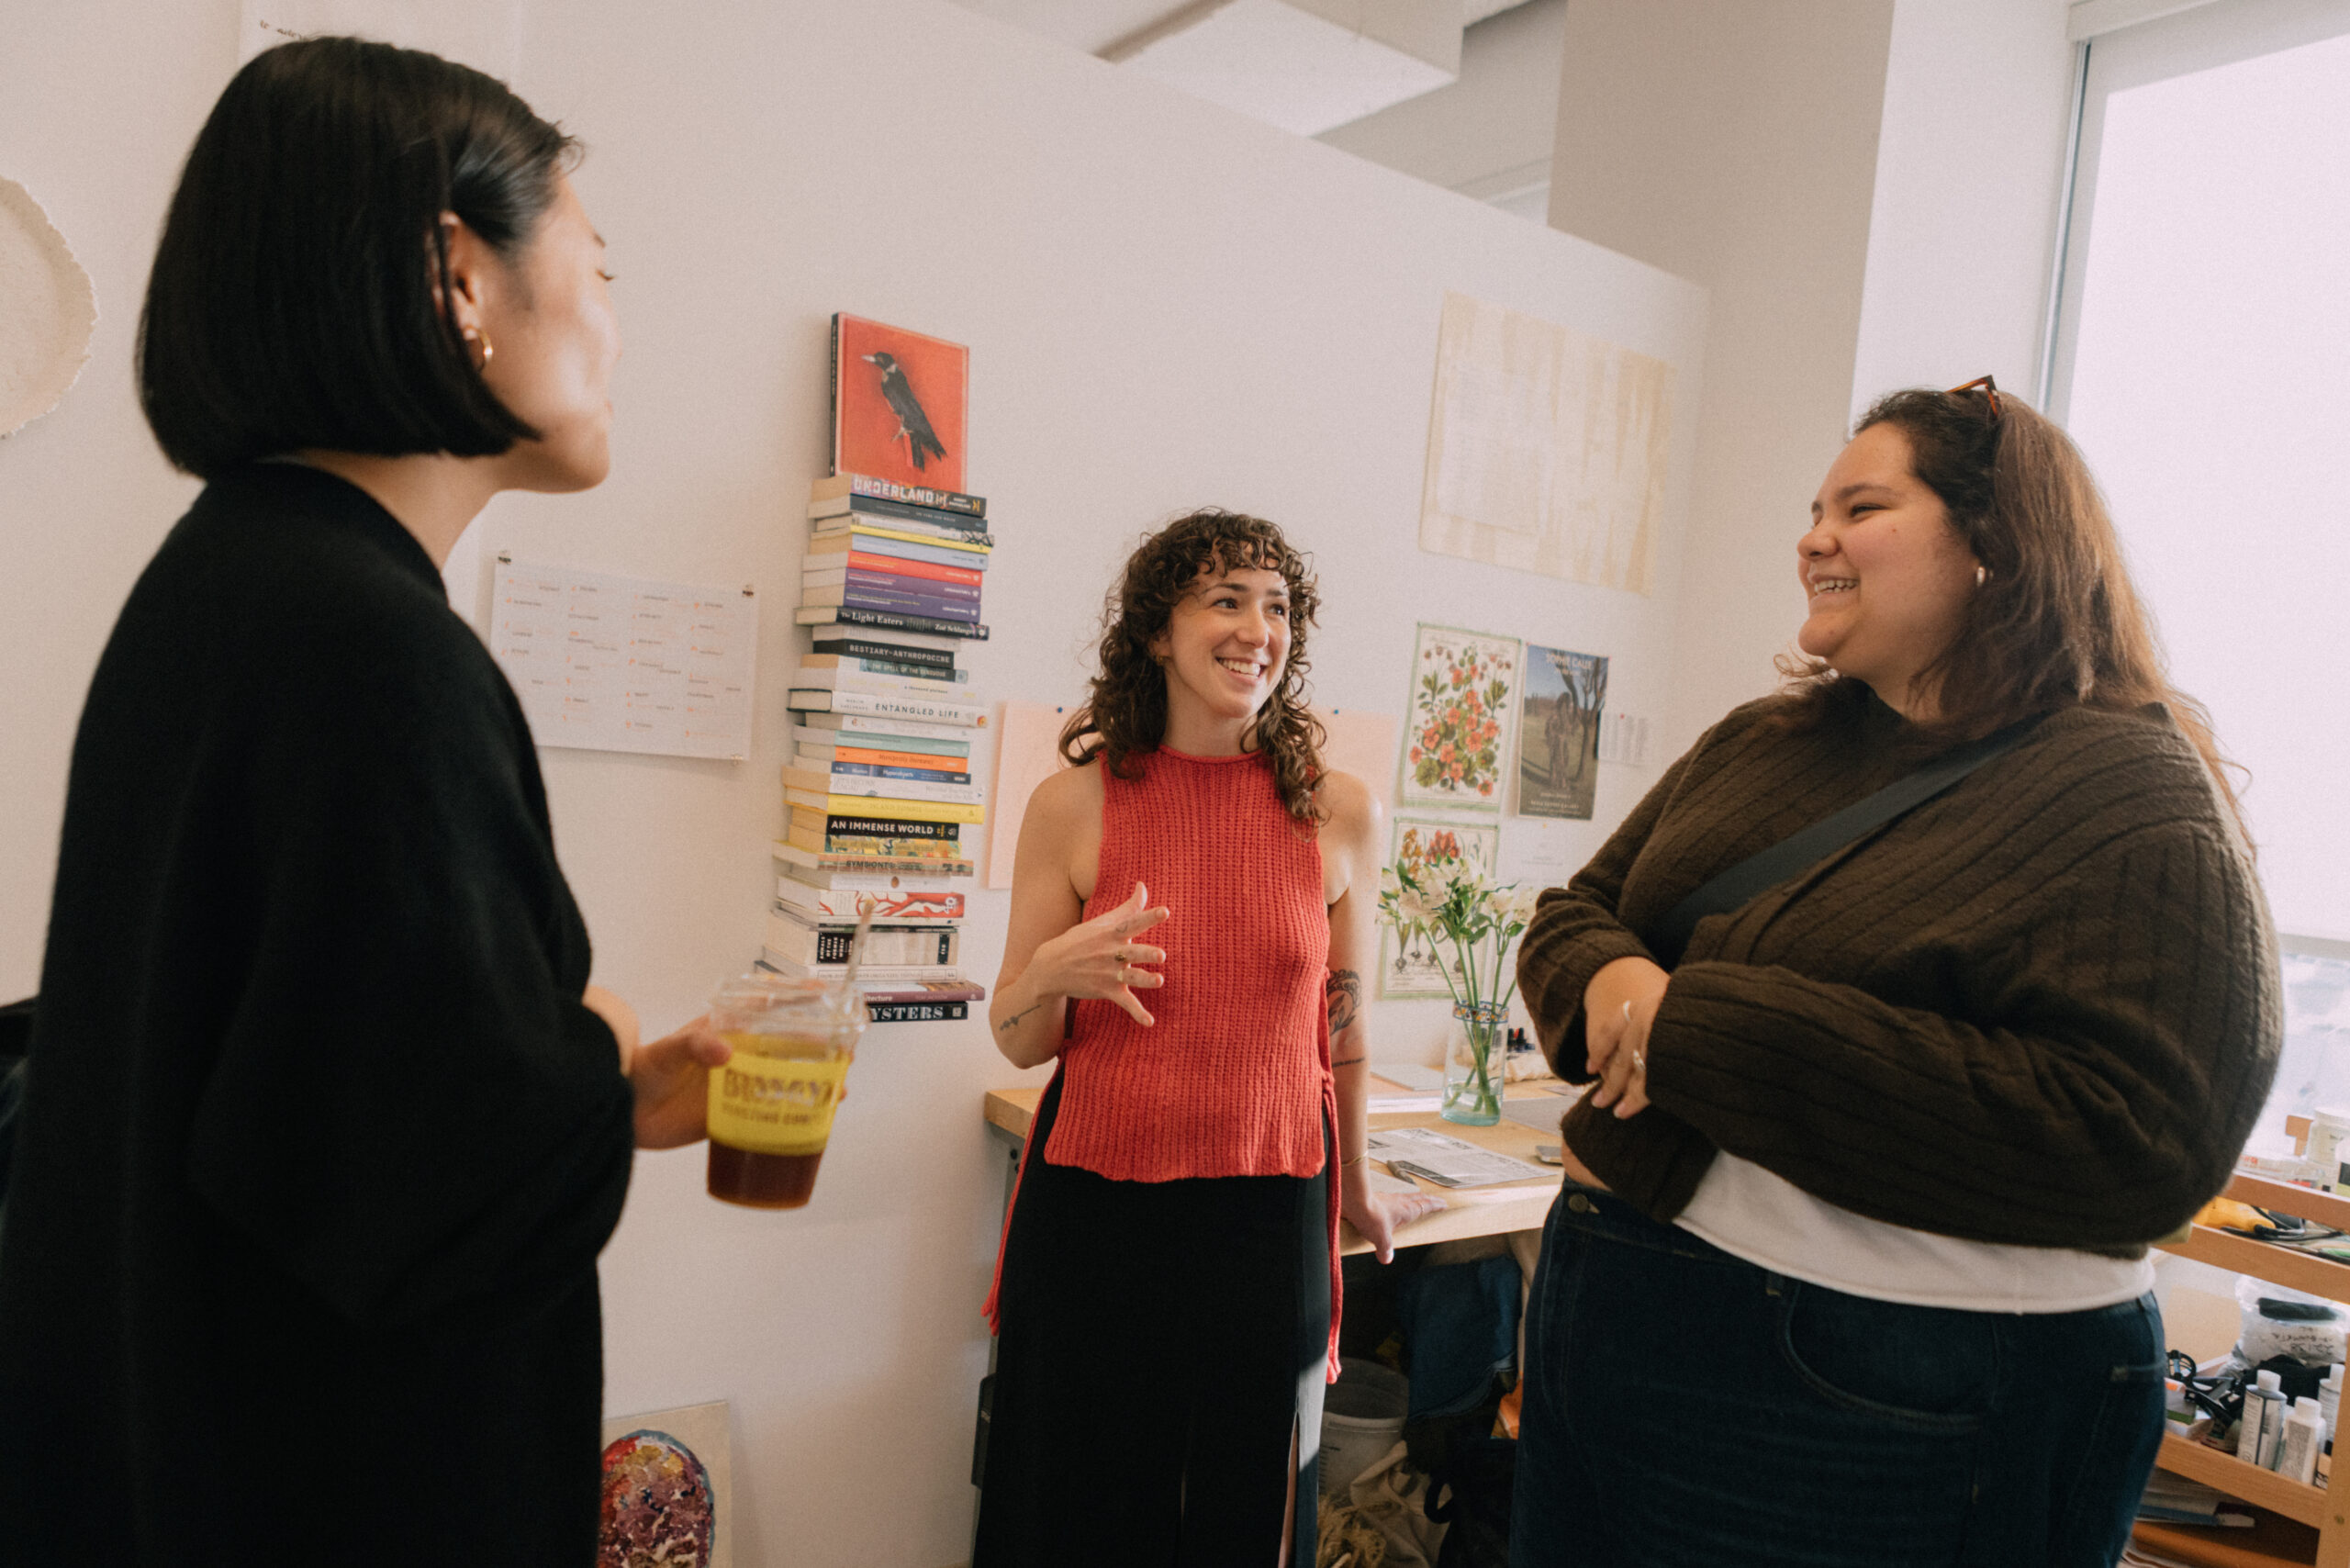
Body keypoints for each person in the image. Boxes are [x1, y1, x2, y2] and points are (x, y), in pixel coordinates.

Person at [0, 39, 728, 1564]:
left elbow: (309, 1101)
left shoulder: (227, 585)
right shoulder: (371, 650)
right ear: (460, 278)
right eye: (597, 267)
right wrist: (596, 1037)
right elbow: (436, 1197)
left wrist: (598, 1103)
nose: (613, 324)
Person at [1509, 380, 2279, 1567]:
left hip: (1877, 1386)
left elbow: (2142, 1139)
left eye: (1861, 508)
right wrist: (1615, 981)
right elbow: (1577, 915)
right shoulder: (1765, 741)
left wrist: (1688, 1029)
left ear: (1994, 544)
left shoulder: (2127, 788)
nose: (1813, 538)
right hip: (1612, 1293)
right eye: (1814, 511)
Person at [973, 510, 1446, 1568]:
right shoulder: (1072, 804)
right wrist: (1049, 976)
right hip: (1098, 1207)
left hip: (1269, 1206)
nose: (1255, 629)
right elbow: (1016, 1037)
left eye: (1275, 607)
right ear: (1157, 631)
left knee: (1244, 1509)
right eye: (1225, 600)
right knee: (1085, 1507)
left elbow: (1344, 1029)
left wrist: (1358, 1182)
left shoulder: (1337, 809)